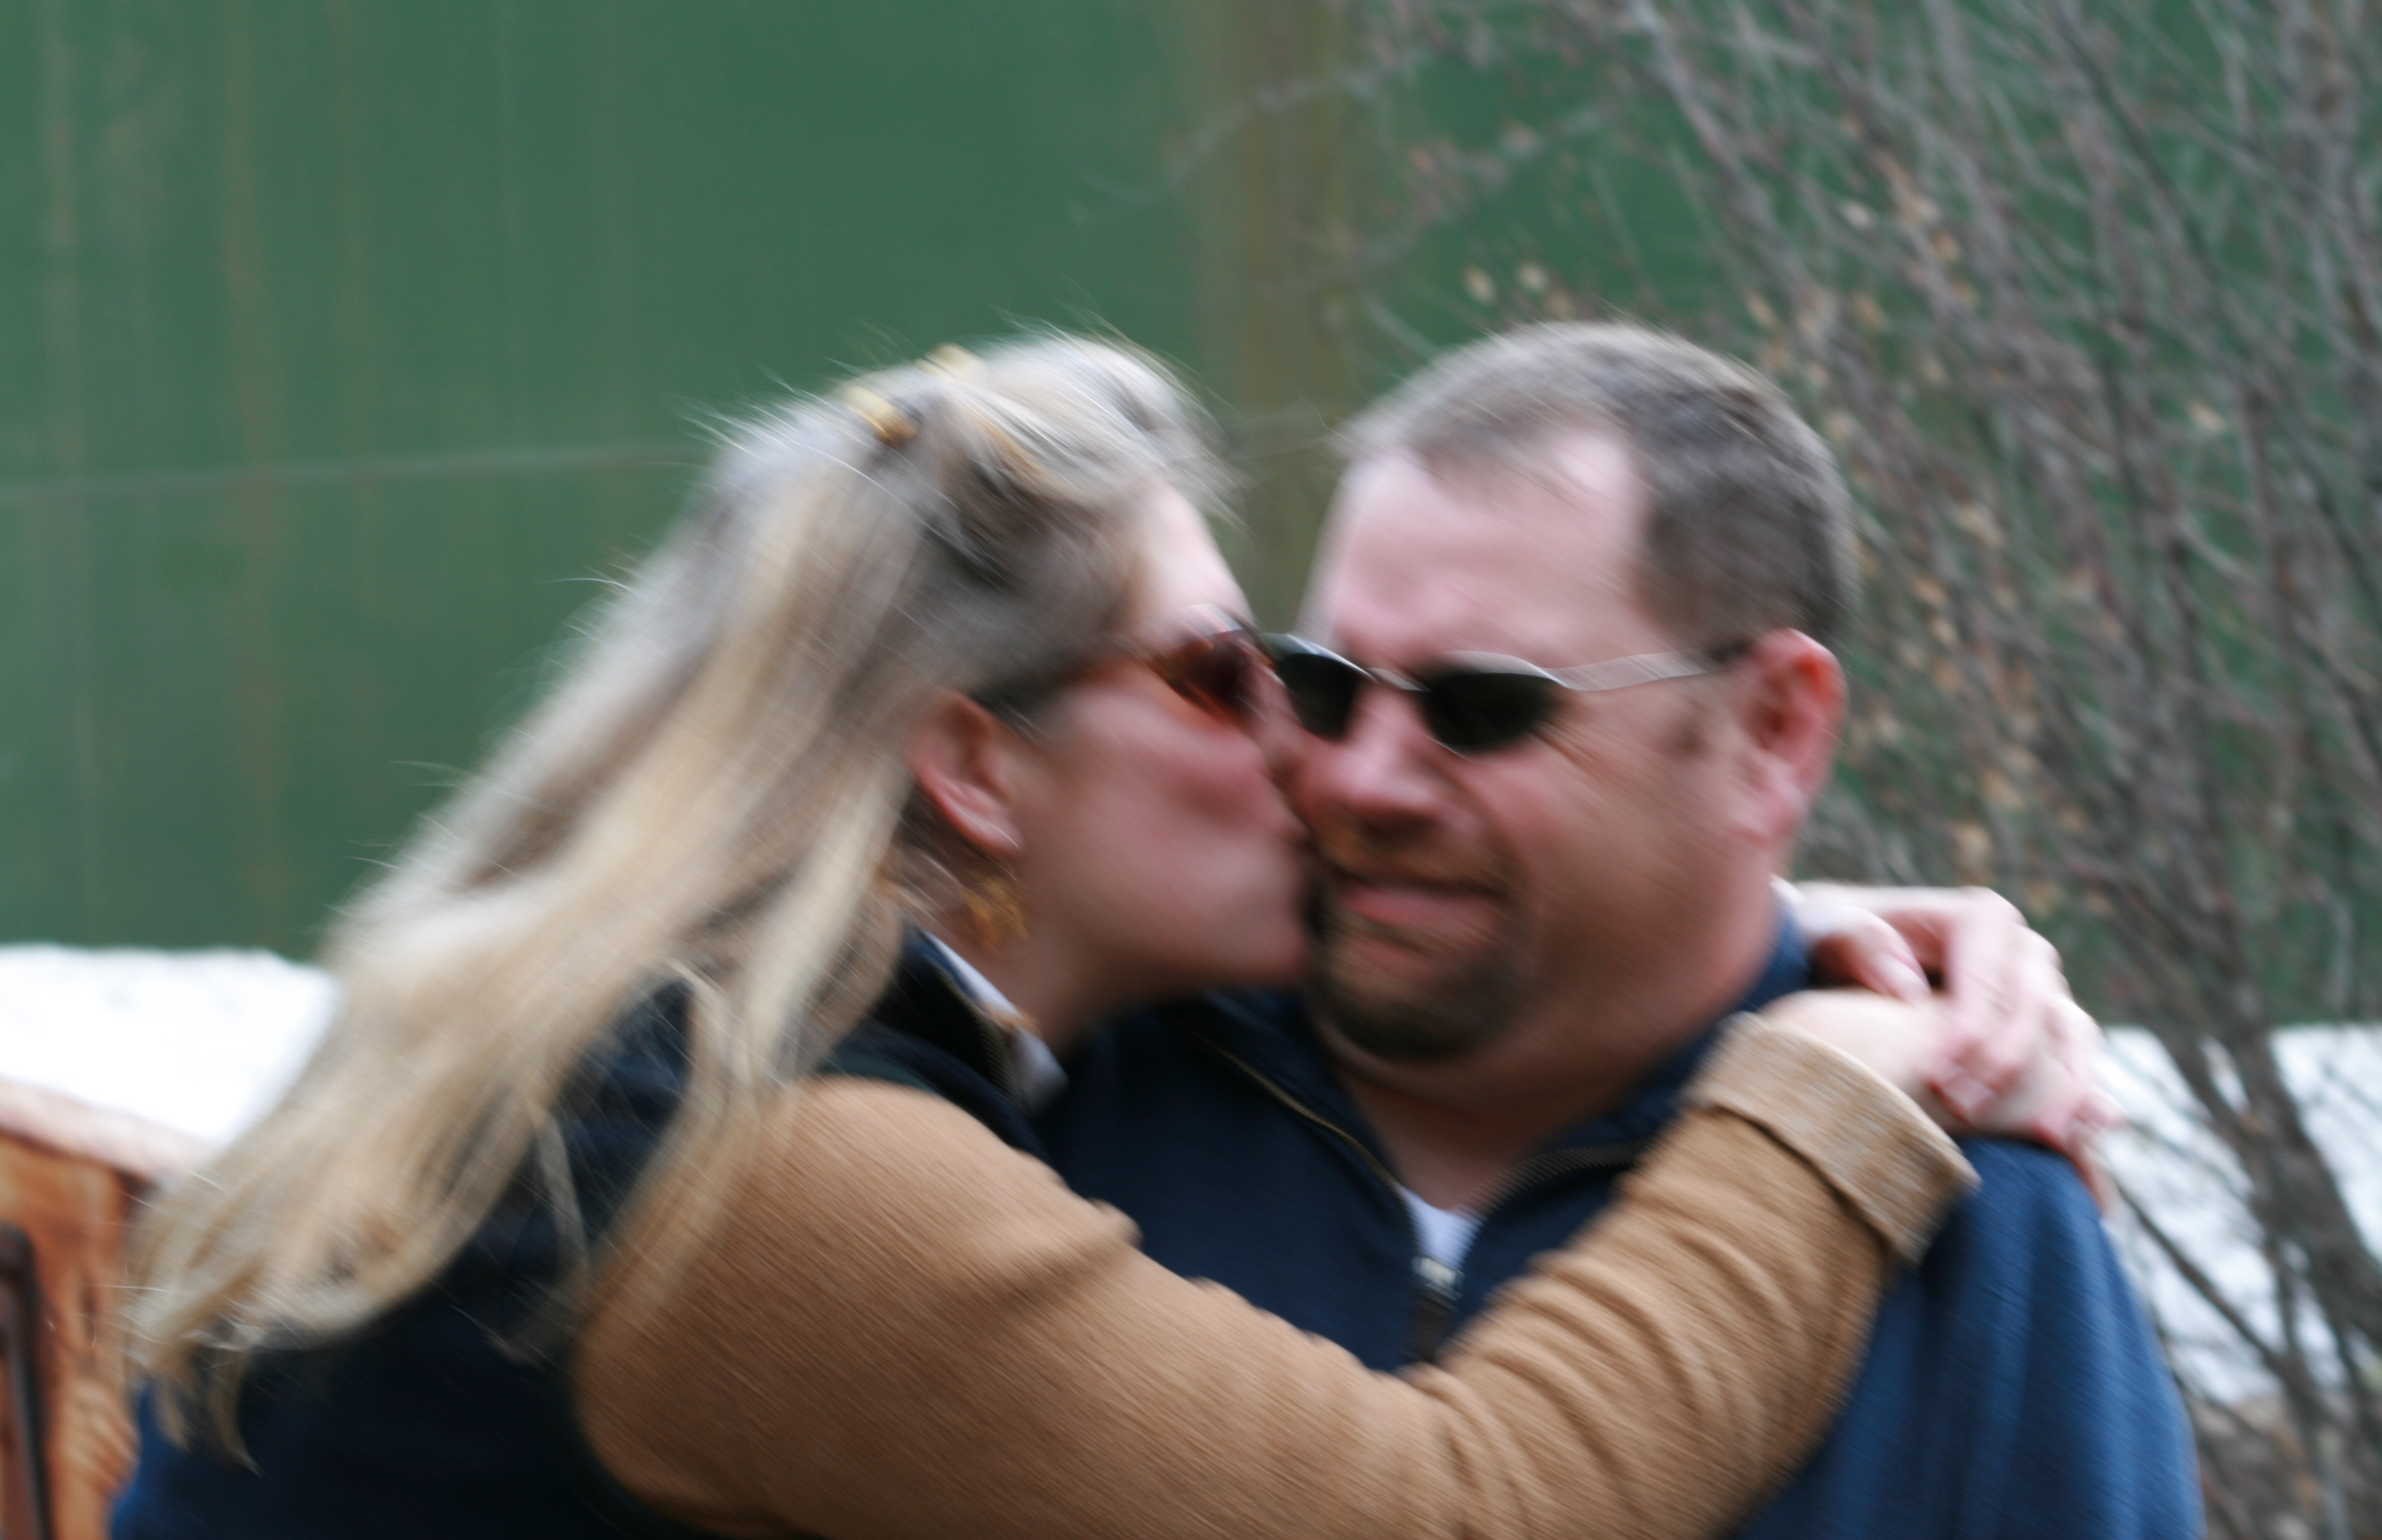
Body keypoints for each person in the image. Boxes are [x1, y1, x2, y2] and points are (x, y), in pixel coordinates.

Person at [119, 334, 2060, 1540]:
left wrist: (1737, 922)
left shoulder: (640, 1040)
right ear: (975, 764)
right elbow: (1459, 1515)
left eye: (1473, 710)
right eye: (1233, 675)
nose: (1318, 749)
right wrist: (1814, 1085)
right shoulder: (778, 1183)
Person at [1041, 323, 2200, 1536]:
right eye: (1326, 686)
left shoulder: (1971, 1223)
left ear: (1773, 731)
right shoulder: (1072, 1085)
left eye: (1479, 707)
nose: (1363, 783)